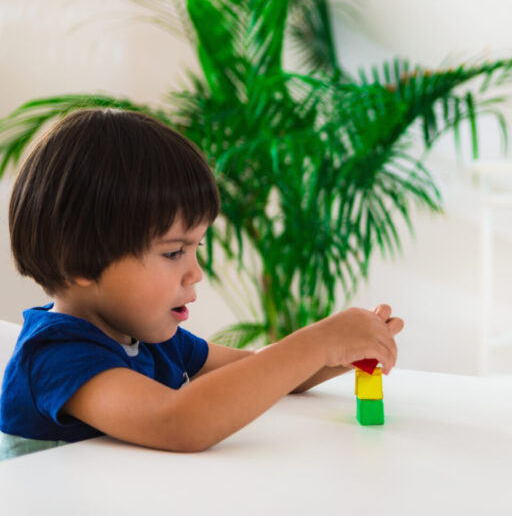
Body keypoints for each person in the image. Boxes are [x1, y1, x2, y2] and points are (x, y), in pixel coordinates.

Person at [0, 109, 403, 452]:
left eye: (197, 248)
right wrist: (319, 341)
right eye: (174, 252)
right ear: (82, 264)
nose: (196, 272)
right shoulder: (56, 356)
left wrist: (340, 353)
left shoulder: (151, 339)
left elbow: (263, 373)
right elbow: (177, 422)